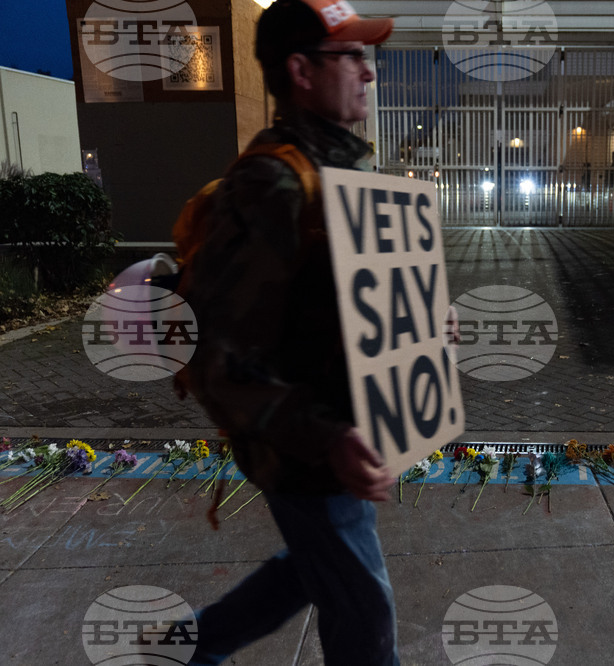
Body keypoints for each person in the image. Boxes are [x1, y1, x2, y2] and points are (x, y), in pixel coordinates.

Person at [180, 1, 398, 663]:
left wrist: (415, 321)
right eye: (351, 56)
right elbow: (214, 358)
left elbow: (336, 304)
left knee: (314, 567)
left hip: (340, 435)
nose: (368, 71)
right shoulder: (271, 184)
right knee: (364, 609)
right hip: (305, 451)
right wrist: (328, 438)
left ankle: (187, 647)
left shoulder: (343, 173)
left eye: (367, 56)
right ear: (301, 71)